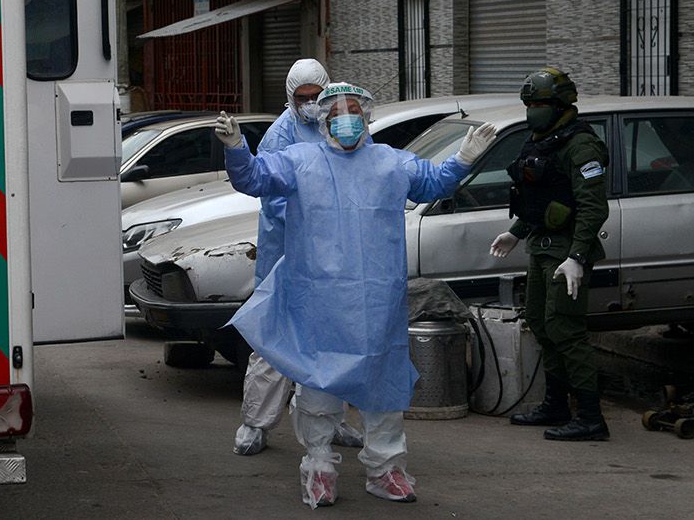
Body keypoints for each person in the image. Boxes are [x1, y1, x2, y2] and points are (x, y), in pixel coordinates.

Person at [214, 84, 496, 507]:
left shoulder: (390, 163)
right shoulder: (300, 161)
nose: (346, 121)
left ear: (366, 119)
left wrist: (465, 157)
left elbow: (434, 183)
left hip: (378, 302)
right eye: (336, 115)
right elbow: (254, 178)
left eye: (354, 113)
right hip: (320, 300)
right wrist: (237, 147)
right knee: (319, 384)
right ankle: (319, 464)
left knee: (382, 385)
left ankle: (386, 470)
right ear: (323, 122)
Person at [233, 63, 364, 457]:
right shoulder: (280, 135)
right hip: (286, 253)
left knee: (329, 338)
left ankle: (330, 420)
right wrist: (316, 223)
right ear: (290, 98)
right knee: (274, 339)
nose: (309, 104)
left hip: (330, 259)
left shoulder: (338, 123)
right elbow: (271, 195)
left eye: (315, 96)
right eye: (301, 98)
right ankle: (255, 424)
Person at [490, 67, 610, 442]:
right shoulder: (543, 141)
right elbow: (541, 198)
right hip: (540, 246)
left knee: (566, 330)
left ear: (559, 104)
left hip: (565, 250)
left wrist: (577, 255)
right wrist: (515, 232)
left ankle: (591, 416)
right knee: (543, 326)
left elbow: (592, 207)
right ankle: (556, 404)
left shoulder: (580, 145)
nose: (532, 110)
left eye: (539, 103)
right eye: (528, 103)